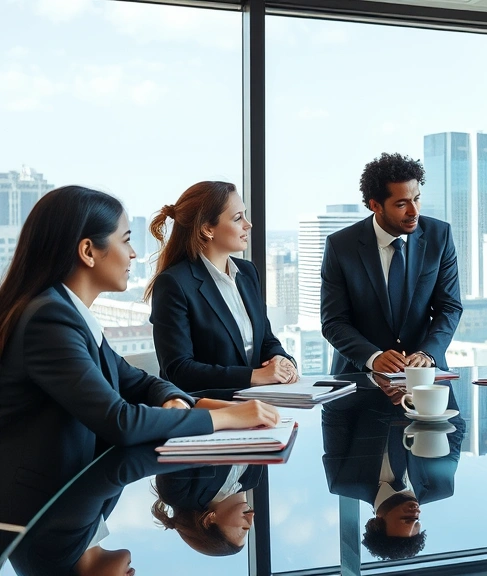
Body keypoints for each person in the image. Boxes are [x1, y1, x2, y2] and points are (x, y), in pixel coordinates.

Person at [0, 186, 280, 528]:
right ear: (88, 251)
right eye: (126, 240)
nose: (134, 254)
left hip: (70, 500)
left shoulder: (66, 313)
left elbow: (137, 380)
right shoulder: (50, 320)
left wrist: (183, 401)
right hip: (37, 517)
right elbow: (121, 421)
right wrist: (226, 419)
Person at [147, 181, 297, 394]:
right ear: (208, 229)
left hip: (258, 403)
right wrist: (254, 376)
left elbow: (265, 339)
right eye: (238, 218)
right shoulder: (174, 284)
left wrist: (281, 359)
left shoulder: (247, 273)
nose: (248, 224)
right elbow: (179, 370)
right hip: (209, 410)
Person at [321, 153, 462, 375]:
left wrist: (427, 353)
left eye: (416, 199)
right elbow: (333, 322)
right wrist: (373, 357)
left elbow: (450, 308)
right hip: (359, 379)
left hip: (424, 375)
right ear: (375, 205)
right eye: (401, 204)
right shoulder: (341, 246)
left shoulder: (440, 236)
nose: (414, 211)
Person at [321, 383, 464, 560]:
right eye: (417, 521)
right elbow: (456, 429)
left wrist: (378, 388)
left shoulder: (344, 481)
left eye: (407, 518)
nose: (416, 512)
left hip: (362, 369)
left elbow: (333, 412)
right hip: (424, 372)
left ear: (376, 522)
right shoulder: (440, 486)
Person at [151, 464, 264, 556]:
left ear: (209, 520)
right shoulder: (253, 478)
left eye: (243, 530)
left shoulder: (178, 493)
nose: (250, 522)